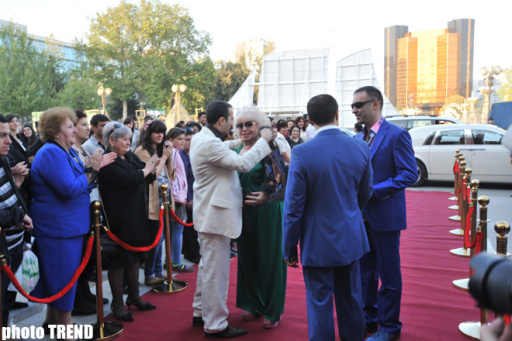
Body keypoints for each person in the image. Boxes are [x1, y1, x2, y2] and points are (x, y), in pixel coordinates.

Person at [283, 94, 373, 341]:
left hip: (317, 240)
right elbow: (366, 193)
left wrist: (289, 247)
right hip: (351, 236)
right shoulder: (360, 146)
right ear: (337, 115)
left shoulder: (302, 152)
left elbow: (293, 207)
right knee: (352, 301)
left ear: (309, 120)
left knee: (320, 305)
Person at [190, 100, 273, 339]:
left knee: (208, 268)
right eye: (233, 120)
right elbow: (242, 163)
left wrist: (246, 141)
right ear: (223, 120)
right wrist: (264, 141)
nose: (237, 127)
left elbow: (227, 147)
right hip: (215, 216)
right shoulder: (208, 143)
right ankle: (215, 324)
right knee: (216, 273)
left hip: (210, 214)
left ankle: (199, 312)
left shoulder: (204, 138)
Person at [30, 107, 108, 339]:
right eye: (70, 126)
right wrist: (92, 171)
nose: (75, 129)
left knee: (61, 277)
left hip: (69, 226)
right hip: (58, 228)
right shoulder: (51, 153)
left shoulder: (67, 151)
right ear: (55, 131)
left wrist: (92, 171)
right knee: (63, 279)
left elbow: (82, 183)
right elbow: (69, 189)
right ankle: (66, 328)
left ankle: (51, 322)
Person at [353, 86, 417, 341]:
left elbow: (409, 174)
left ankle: (390, 327)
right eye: (353, 106)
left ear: (376, 104)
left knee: (389, 275)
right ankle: (369, 319)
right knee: (365, 273)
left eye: (359, 105)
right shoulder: (357, 139)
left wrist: (374, 191)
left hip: (386, 216)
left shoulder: (397, 135)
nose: (355, 110)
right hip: (360, 217)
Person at [98, 122, 158, 322]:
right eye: (124, 139)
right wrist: (145, 171)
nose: (128, 142)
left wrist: (153, 166)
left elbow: (145, 175)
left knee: (135, 257)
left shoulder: (130, 156)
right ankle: (118, 304)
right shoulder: (107, 160)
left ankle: (134, 296)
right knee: (120, 261)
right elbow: (127, 178)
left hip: (136, 213)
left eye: (129, 138)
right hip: (119, 217)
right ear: (111, 141)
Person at [234, 107, 288, 329]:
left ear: (260, 125)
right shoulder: (236, 149)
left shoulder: (269, 148)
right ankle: (254, 304)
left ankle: (273, 311)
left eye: (249, 124)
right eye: (240, 125)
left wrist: (267, 195)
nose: (244, 129)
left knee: (270, 260)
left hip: (268, 211)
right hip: (242, 212)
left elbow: (284, 180)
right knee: (246, 259)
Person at [0, 114, 33, 328]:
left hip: (14, 245)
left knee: (3, 302)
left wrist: (17, 182)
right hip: (3, 250)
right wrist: (19, 215)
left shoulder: (3, 159)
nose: (9, 141)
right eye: (2, 135)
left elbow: (9, 195)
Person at [134, 119, 175, 286]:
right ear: (149, 133)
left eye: (162, 132)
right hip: (151, 198)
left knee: (162, 238)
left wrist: (169, 157)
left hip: (164, 197)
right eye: (156, 131)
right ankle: (150, 273)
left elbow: (171, 175)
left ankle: (158, 271)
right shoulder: (141, 151)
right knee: (155, 238)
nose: (160, 135)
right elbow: (152, 175)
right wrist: (164, 157)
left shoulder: (161, 149)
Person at [165, 127, 193, 273]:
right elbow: (175, 179)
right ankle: (175, 261)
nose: (182, 142)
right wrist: (182, 197)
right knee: (177, 230)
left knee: (174, 230)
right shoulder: (174, 153)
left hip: (177, 195)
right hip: (177, 197)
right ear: (171, 140)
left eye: (184, 139)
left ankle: (170, 260)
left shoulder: (176, 153)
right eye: (180, 139)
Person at [180, 127, 201, 264]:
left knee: (192, 226)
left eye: (191, 140)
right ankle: (191, 252)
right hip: (188, 195)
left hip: (195, 193)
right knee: (189, 226)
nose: (189, 143)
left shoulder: (193, 154)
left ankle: (190, 250)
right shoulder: (181, 155)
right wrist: (188, 197)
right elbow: (183, 179)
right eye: (186, 140)